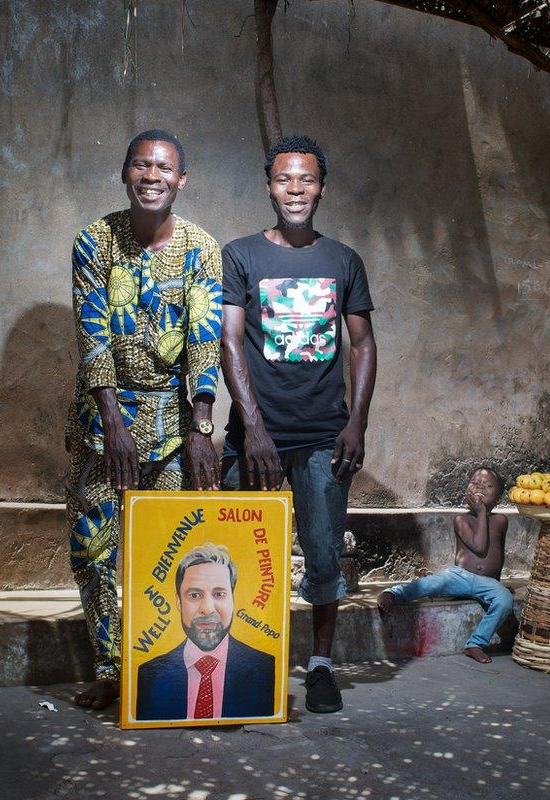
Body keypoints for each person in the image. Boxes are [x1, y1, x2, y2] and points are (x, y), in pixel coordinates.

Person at [220, 135, 377, 713]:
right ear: (269, 186)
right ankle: (237, 664)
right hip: (254, 438)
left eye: (306, 180)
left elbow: (362, 344)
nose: (295, 189)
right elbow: (230, 341)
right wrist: (254, 429)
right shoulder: (241, 255)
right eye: (285, 179)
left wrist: (356, 421)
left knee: (323, 554)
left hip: (322, 436)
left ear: (321, 188)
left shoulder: (342, 261)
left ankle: (319, 667)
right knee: (235, 552)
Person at [67, 130, 223, 710]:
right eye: (141, 165)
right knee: (96, 549)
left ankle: (158, 665)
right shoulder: (94, 242)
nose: (152, 175)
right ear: (124, 173)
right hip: (105, 423)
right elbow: (93, 335)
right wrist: (112, 422)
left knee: (169, 553)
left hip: (174, 421)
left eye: (164, 168)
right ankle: (110, 669)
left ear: (181, 179)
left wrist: (201, 428)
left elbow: (204, 341)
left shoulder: (202, 249)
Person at [378, 467, 513, 664]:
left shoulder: (501, 520)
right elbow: (479, 546)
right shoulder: (461, 519)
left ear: (499, 498)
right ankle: (393, 594)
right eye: (475, 483)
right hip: (459, 576)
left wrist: (498, 583)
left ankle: (475, 643)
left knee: (504, 599)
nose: (480, 487)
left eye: (487, 486)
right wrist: (481, 512)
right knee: (430, 584)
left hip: (487, 583)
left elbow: (498, 553)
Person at [136, 543, 275, 721]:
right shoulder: (149, 676)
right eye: (194, 595)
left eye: (219, 594)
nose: (207, 609)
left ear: (233, 600)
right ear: (178, 602)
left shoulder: (267, 669)